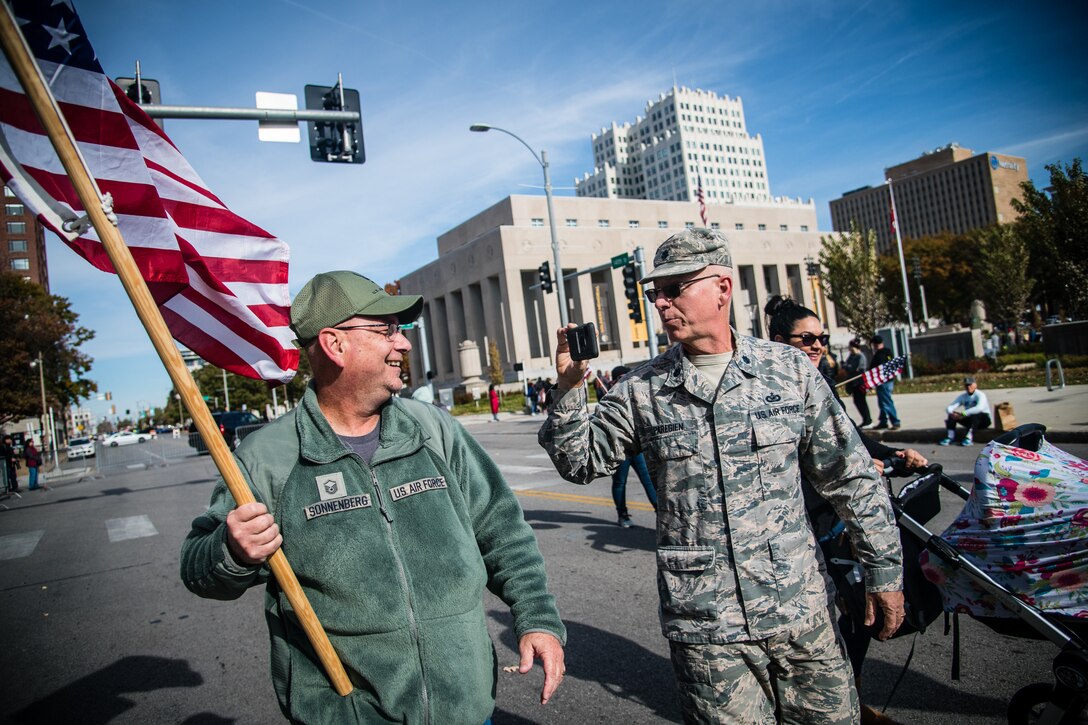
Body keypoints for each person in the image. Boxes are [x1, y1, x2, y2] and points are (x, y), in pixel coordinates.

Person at [539, 229, 904, 724]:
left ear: (722, 287)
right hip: (707, 631)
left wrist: (884, 573)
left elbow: (851, 477)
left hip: (801, 611)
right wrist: (567, 388)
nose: (662, 303)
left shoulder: (789, 370)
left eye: (676, 288)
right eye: (655, 294)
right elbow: (579, 462)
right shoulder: (641, 390)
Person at [181, 271, 565, 723]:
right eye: (386, 331)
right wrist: (232, 551)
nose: (402, 344)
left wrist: (536, 616)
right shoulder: (266, 458)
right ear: (334, 343)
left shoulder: (434, 431)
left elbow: (502, 530)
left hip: (466, 707)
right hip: (346, 714)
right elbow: (197, 568)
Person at [767, 295, 927, 724]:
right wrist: (844, 466)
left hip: (834, 520)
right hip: (800, 524)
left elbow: (850, 441)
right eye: (808, 338)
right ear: (780, 341)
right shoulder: (770, 392)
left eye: (822, 338)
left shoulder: (818, 385)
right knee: (829, 618)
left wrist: (893, 452)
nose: (818, 345)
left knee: (855, 614)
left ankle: (848, 698)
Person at [608, 365, 658, 528]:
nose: (624, 380)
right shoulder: (609, 399)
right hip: (620, 449)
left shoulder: (636, 394)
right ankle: (622, 514)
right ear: (614, 380)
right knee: (619, 482)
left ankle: (660, 512)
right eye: (620, 377)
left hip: (638, 447)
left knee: (649, 480)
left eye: (627, 376)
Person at [940, 376, 991, 446]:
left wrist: (963, 413)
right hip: (970, 419)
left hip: (983, 420)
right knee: (951, 415)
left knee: (976, 415)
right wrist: (952, 413)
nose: (968, 387)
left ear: (975, 385)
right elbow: (950, 407)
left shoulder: (980, 395)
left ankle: (968, 438)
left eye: (970, 385)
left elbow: (979, 408)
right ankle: (950, 437)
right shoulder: (963, 396)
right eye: (966, 385)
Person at [868, 335, 901, 430]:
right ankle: (883, 421)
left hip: (883, 382)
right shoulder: (888, 352)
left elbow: (877, 369)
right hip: (889, 381)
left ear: (874, 344)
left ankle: (895, 422)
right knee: (882, 402)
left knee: (886, 402)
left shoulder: (880, 355)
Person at [843, 338, 872, 428]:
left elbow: (853, 368)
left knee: (861, 402)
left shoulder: (860, 356)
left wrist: (848, 367)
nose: (850, 349)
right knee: (857, 402)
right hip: (853, 383)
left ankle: (868, 421)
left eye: (851, 347)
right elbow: (846, 366)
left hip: (859, 383)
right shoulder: (852, 356)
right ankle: (865, 420)